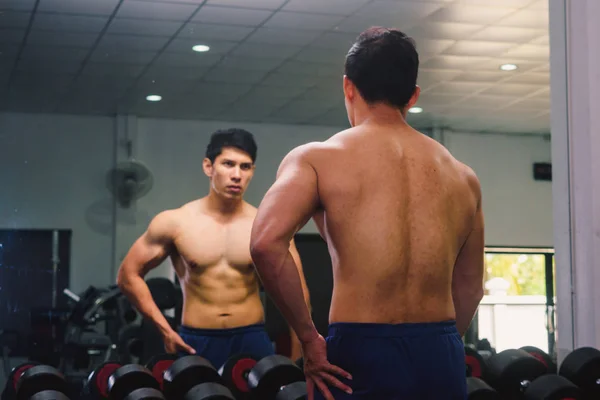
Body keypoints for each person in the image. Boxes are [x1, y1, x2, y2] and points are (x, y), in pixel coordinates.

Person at [250, 27, 484, 400]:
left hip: (361, 348)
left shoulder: (317, 159)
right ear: (413, 96)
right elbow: (471, 286)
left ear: (348, 87)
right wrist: (440, 347)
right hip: (439, 348)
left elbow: (265, 243)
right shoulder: (463, 176)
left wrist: (309, 338)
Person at [117, 128, 311, 370]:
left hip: (251, 338)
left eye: (245, 166)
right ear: (208, 167)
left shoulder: (267, 226)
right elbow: (127, 275)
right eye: (228, 164)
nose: (237, 175)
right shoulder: (176, 222)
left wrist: (299, 350)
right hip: (197, 340)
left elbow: (297, 291)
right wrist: (164, 330)